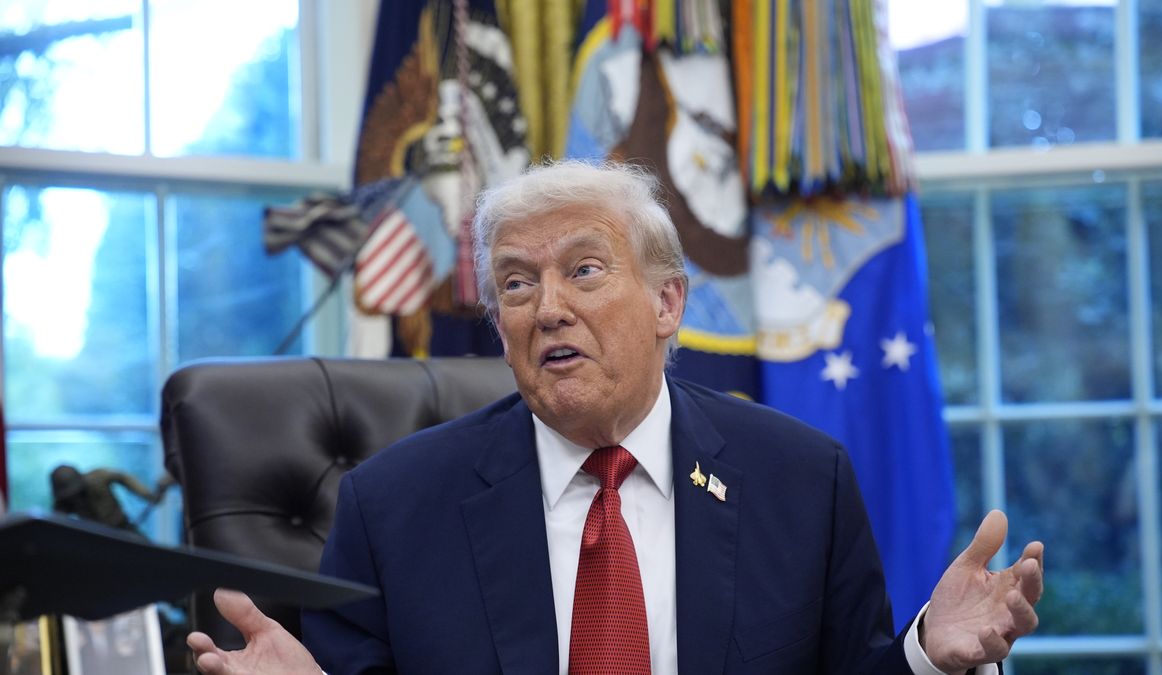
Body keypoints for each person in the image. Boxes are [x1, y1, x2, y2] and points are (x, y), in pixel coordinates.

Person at [187, 161, 1043, 674]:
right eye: (516, 283)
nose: (546, 308)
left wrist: (929, 651)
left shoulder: (800, 479)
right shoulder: (393, 504)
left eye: (584, 271)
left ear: (668, 302)